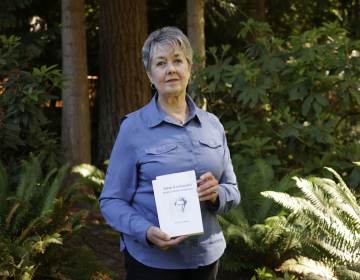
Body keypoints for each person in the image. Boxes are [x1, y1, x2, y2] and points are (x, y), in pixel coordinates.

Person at [99, 26, 240, 280]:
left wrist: (217, 194)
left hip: (207, 259)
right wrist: (145, 231)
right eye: (161, 63)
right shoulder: (133, 128)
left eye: (177, 60)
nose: (170, 69)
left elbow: (233, 189)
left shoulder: (213, 125)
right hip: (152, 263)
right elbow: (111, 201)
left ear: (189, 68)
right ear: (150, 75)